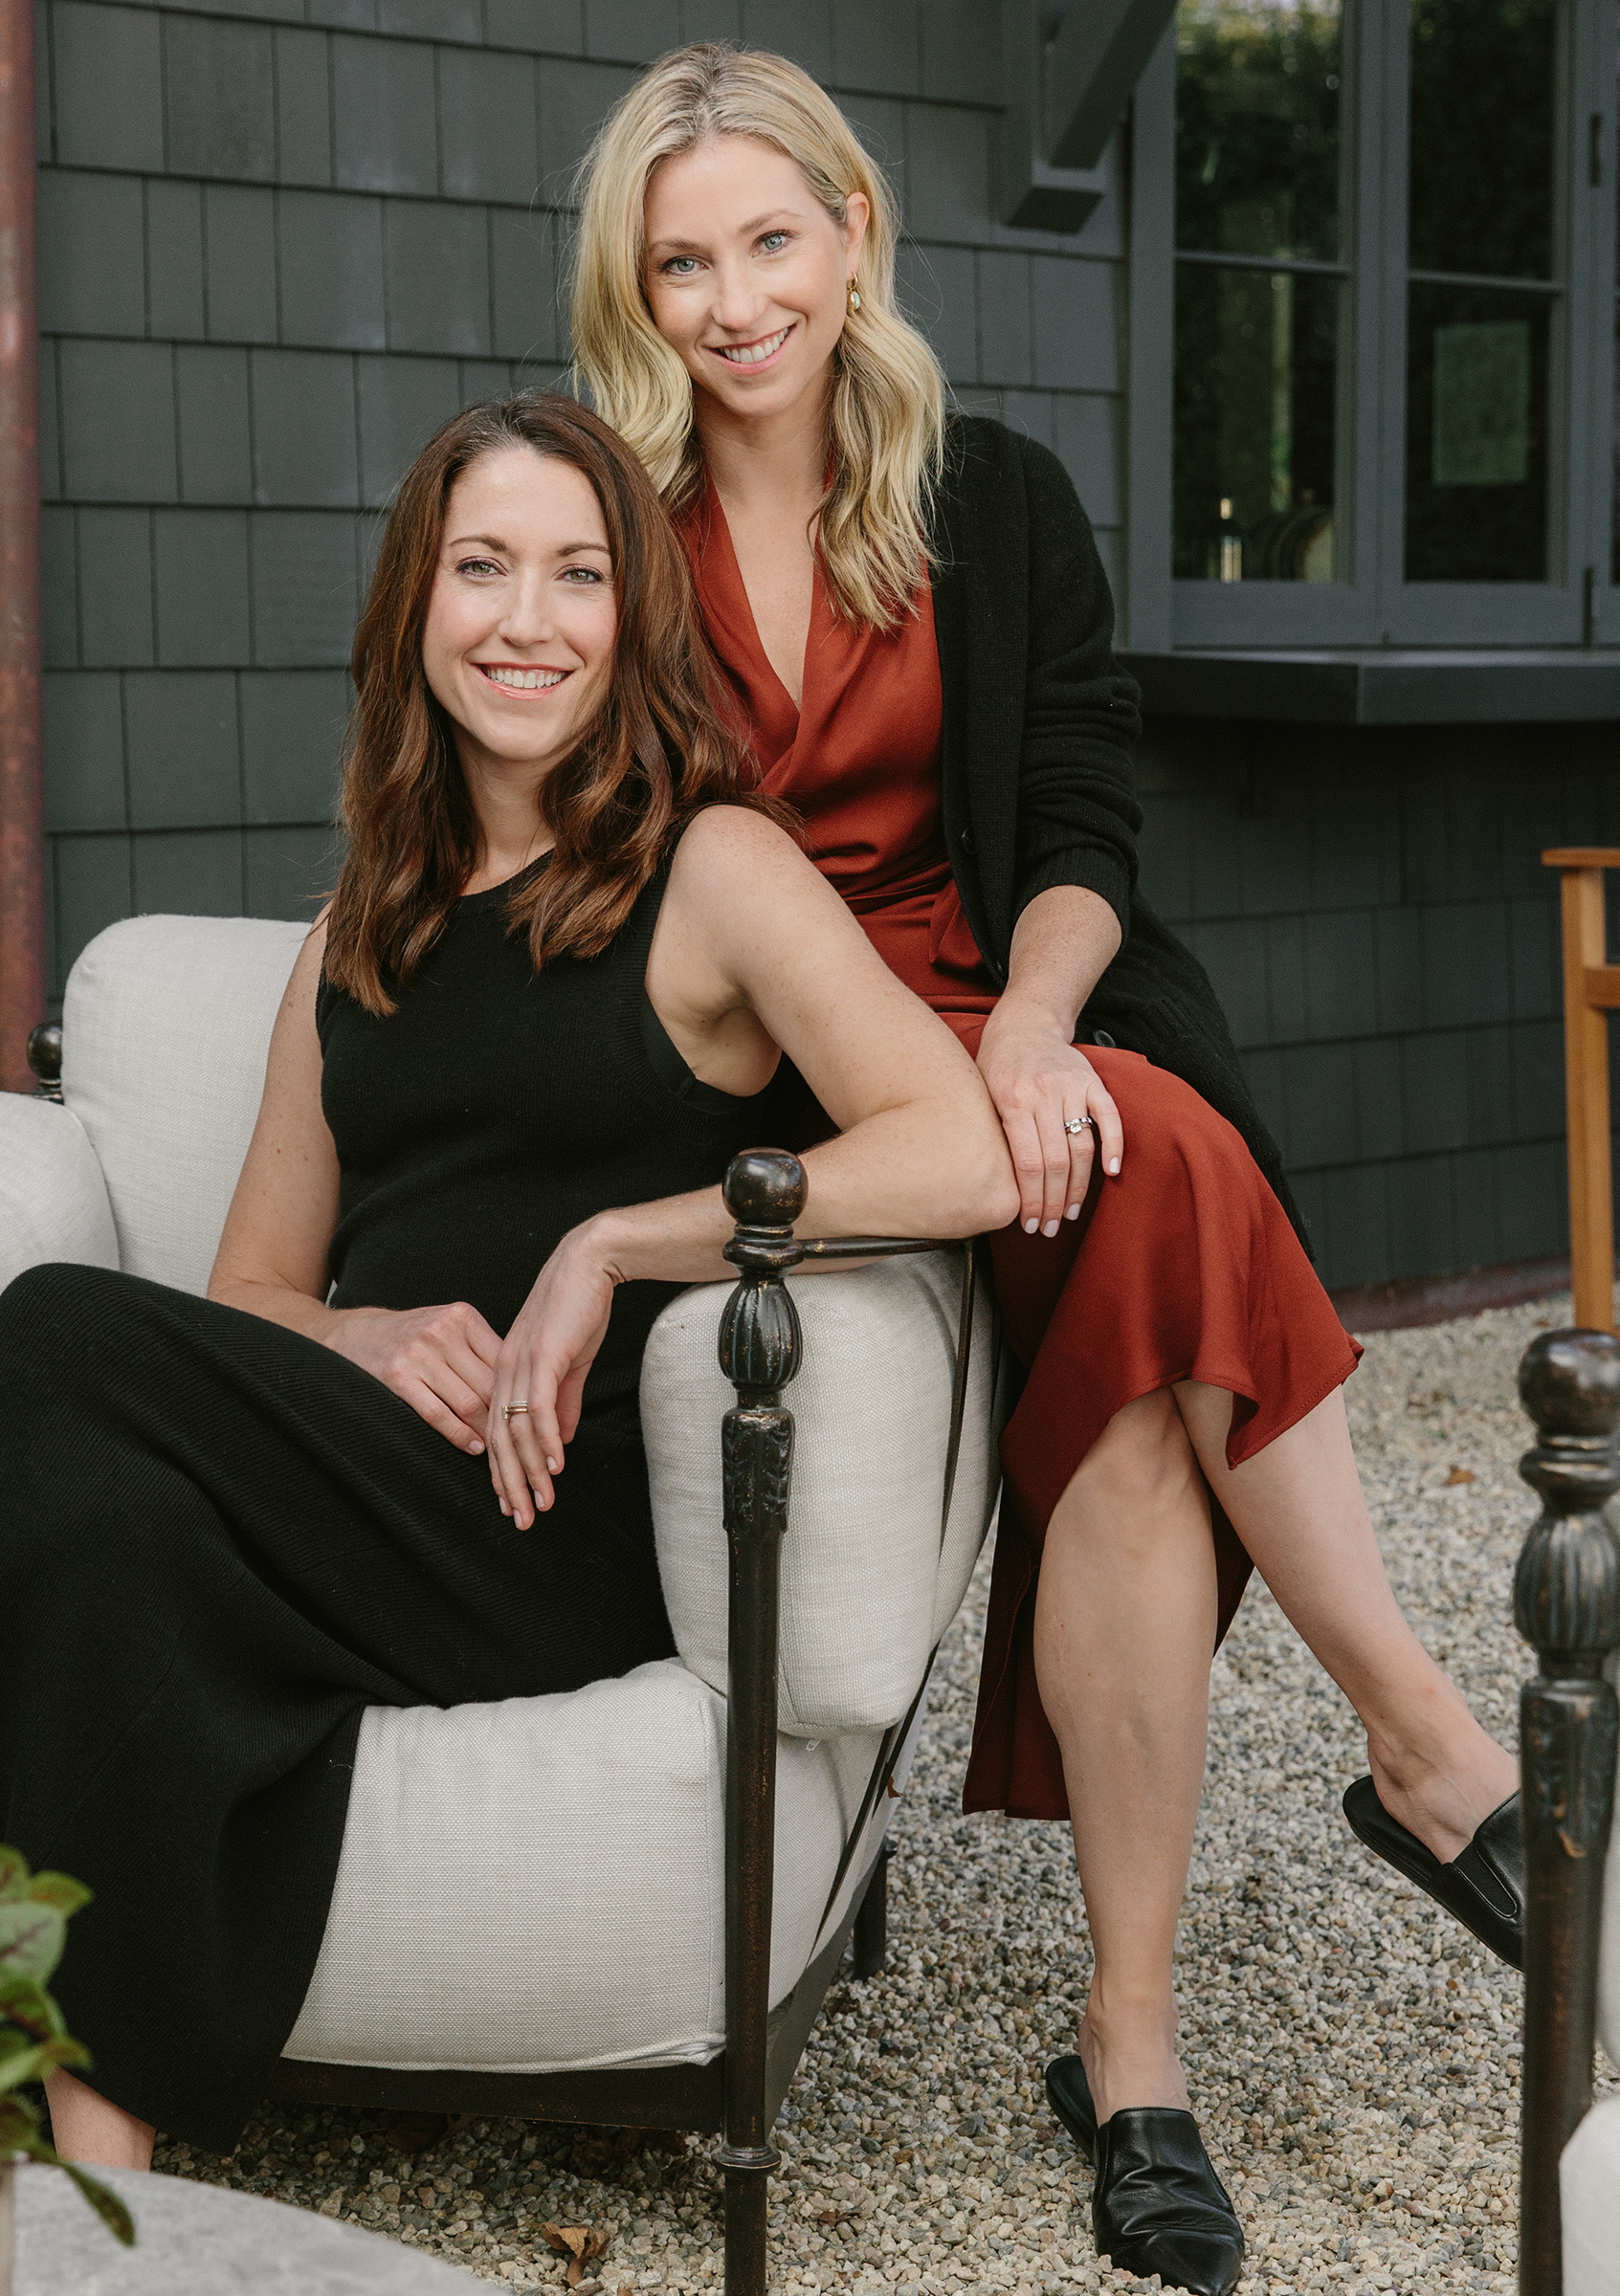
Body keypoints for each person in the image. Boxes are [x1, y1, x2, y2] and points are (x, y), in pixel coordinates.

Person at [0, 395, 1017, 2171]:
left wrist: (616, 1243)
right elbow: (253, 1284)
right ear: (418, 608)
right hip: (359, 1484)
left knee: (56, 1331)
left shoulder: (713, 871)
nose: (524, 619)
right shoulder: (365, 923)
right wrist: (358, 1329)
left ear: (632, 614)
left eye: (574, 574)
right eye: (480, 569)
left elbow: (962, 1147)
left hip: (560, 1519)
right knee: (118, 1552)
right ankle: (96, 2167)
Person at [570, 46, 1523, 2296]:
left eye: (767, 241)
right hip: (766, 1056)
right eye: (680, 257)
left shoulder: (990, 495)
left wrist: (1020, 1026)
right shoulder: (603, 519)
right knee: (1168, 1190)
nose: (730, 299)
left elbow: (1081, 827)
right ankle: (1412, 1745)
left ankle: (1142, 2047)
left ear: (856, 235)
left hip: (1000, 1016)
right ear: (635, 285)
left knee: (1132, 1273)